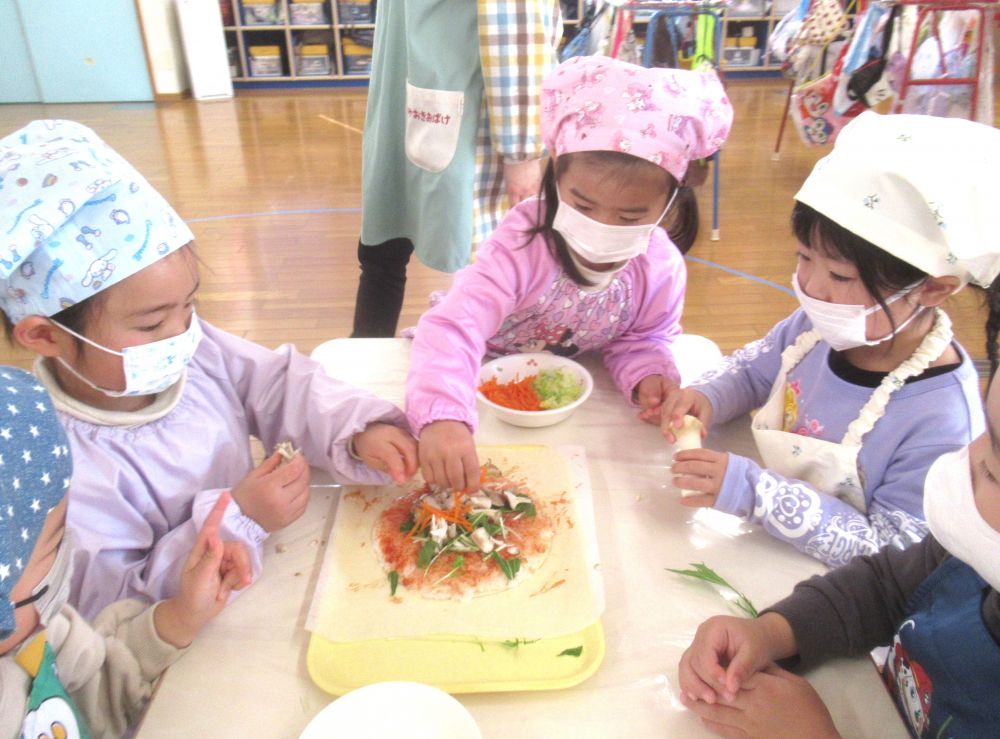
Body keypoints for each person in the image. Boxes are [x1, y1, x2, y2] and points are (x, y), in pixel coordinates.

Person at [0, 119, 418, 619]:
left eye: (190, 307)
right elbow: (116, 603)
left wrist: (355, 431)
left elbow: (276, 383)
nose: (183, 335)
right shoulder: (63, 467)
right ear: (45, 336)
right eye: (152, 325)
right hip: (194, 638)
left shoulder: (190, 347)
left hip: (275, 577)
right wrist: (238, 518)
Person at [660, 112, 1000, 568]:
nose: (811, 286)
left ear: (933, 288)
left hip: (832, 595)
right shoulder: (816, 326)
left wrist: (756, 493)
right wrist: (708, 396)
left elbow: (890, 552)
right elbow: (753, 368)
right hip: (760, 550)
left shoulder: (943, 419)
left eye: (840, 274)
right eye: (804, 256)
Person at [407, 55, 734, 492]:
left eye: (630, 215)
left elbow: (642, 338)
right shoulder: (522, 243)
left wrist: (649, 377)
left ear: (671, 203)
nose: (602, 227)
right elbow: (454, 327)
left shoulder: (660, 267)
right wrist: (443, 415)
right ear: (556, 173)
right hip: (479, 386)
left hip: (573, 407)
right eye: (582, 205)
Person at [677, 362, 1000, 738]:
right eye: (988, 435)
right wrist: (769, 632)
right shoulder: (972, 554)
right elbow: (882, 588)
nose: (968, 458)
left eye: (993, 471)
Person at [0, 365, 252, 737]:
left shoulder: (44, 632)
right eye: (54, 542)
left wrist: (180, 616)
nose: (69, 549)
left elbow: (95, 695)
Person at [351, 0, 564, 338]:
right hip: (473, 117)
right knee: (492, 265)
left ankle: (364, 362)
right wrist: (522, 152)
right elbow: (514, 33)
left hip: (415, 95)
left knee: (385, 249)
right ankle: (473, 364)